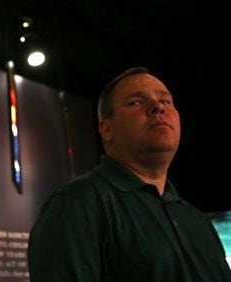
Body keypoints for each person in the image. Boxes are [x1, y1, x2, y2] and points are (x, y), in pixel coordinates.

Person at [27, 67, 231, 281]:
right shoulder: (77, 205)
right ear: (107, 129)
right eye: (135, 102)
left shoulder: (197, 220)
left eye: (166, 101)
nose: (157, 107)